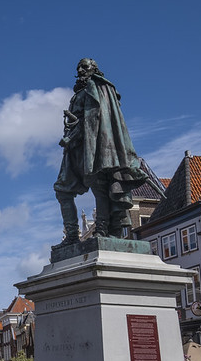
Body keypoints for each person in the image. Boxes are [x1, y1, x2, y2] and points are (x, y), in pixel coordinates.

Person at [54, 58, 149, 243]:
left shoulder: (98, 87)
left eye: (85, 66)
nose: (81, 70)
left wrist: (77, 126)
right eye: (78, 67)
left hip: (94, 146)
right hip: (75, 147)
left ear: (94, 69)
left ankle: (102, 229)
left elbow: (99, 118)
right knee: (62, 189)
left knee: (98, 185)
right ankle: (72, 236)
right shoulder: (79, 93)